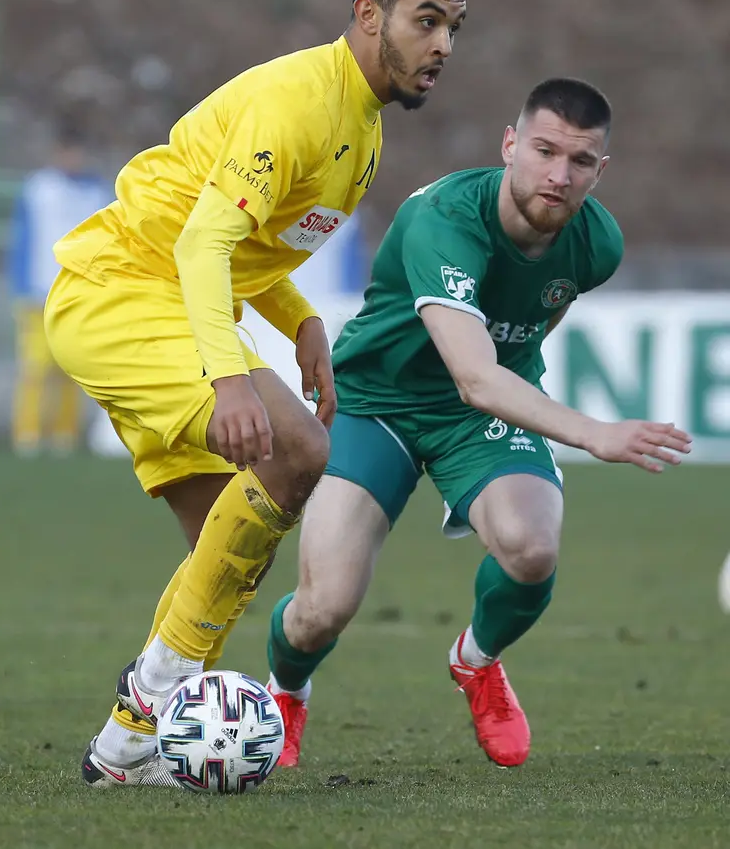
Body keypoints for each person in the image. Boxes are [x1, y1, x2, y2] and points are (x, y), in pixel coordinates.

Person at [42, 0, 467, 787]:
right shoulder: (296, 104)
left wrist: (300, 319)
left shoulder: (364, 132)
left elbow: (249, 248)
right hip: (121, 290)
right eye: (427, 21)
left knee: (227, 541)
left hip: (165, 299)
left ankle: (123, 752)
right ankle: (150, 695)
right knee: (298, 450)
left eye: (455, 28)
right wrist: (229, 378)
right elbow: (202, 243)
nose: (444, 46)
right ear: (368, 14)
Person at [264, 78, 692, 769]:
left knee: (532, 546)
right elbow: (474, 375)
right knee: (324, 606)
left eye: (580, 161)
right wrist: (593, 432)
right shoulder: (445, 220)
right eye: (545, 151)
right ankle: (285, 692)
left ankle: (476, 659)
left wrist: (515, 401)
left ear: (600, 170)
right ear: (510, 144)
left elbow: (534, 325)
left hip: (478, 413)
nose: (559, 175)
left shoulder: (597, 243)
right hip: (379, 400)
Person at [9, 123, 112, 455]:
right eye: (68, 152)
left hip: (78, 295)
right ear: (57, 153)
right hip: (38, 293)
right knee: (34, 367)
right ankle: (27, 434)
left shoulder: (96, 192)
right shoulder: (37, 188)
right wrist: (21, 286)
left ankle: (64, 435)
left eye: (77, 152)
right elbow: (22, 238)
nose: (73, 158)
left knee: (72, 366)